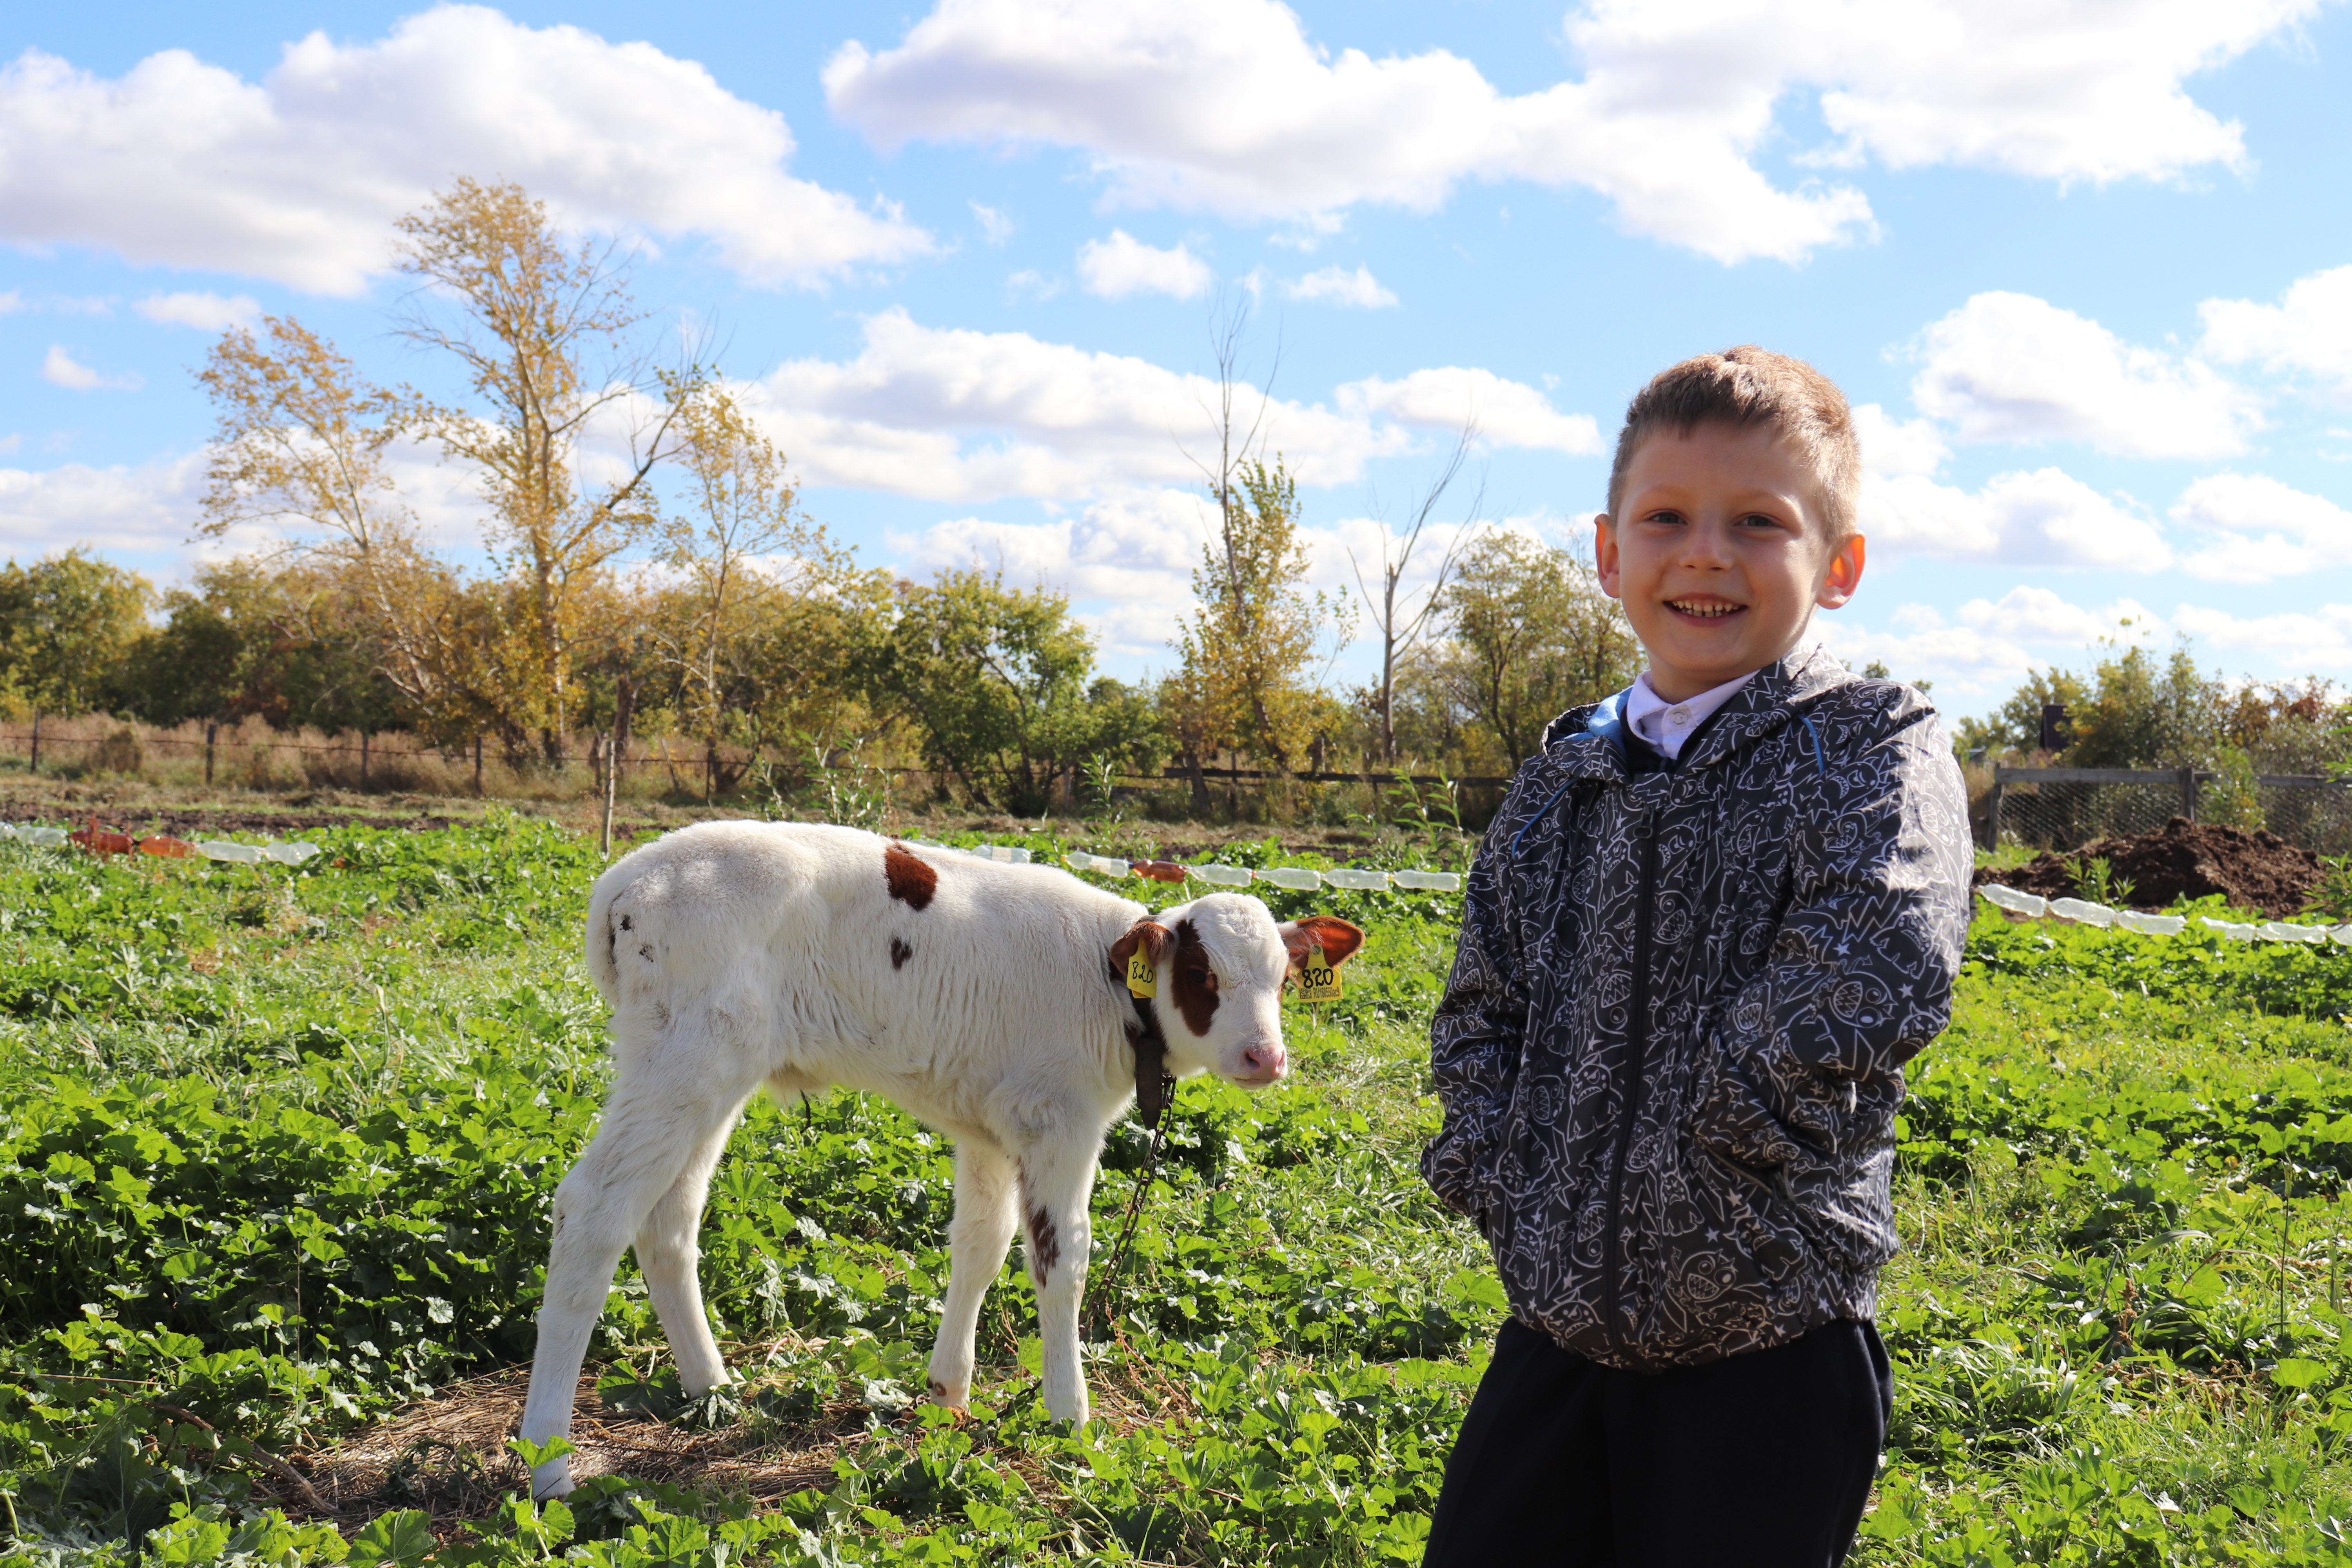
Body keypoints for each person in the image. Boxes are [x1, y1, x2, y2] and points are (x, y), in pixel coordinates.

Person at [1418, 347, 1974, 1568]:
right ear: (1610, 553)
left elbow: (1879, 960)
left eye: (1759, 523)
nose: (1707, 552)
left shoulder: (1872, 747)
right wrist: (1500, 1167)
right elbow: (1483, 996)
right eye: (1666, 517)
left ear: (1839, 567)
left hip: (1767, 1341)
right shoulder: (1567, 773)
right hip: (1556, 1332)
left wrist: (1716, 1140)